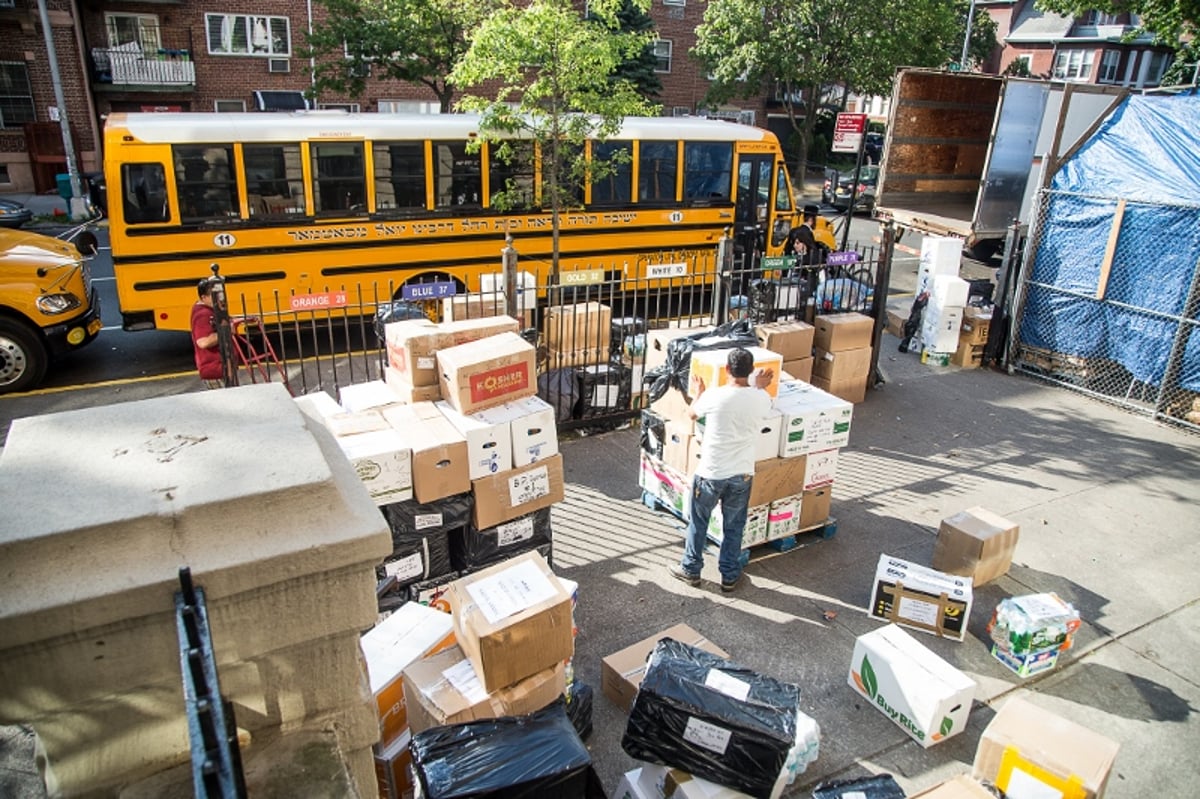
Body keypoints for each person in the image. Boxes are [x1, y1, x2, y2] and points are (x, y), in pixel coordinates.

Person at [669, 348, 775, 592]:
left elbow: (691, 414)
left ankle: (691, 569)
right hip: (742, 473)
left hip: (711, 472)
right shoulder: (761, 398)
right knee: (734, 526)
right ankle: (729, 575)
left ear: (726, 369)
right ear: (750, 371)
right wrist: (758, 385)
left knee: (699, 523)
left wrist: (698, 394)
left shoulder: (714, 397)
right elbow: (760, 399)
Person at [191, 279, 225, 389]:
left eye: (219, 294)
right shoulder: (202, 315)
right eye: (214, 295)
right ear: (203, 297)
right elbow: (203, 342)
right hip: (214, 370)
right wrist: (225, 331)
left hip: (220, 368)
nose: (219, 299)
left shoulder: (211, 310)